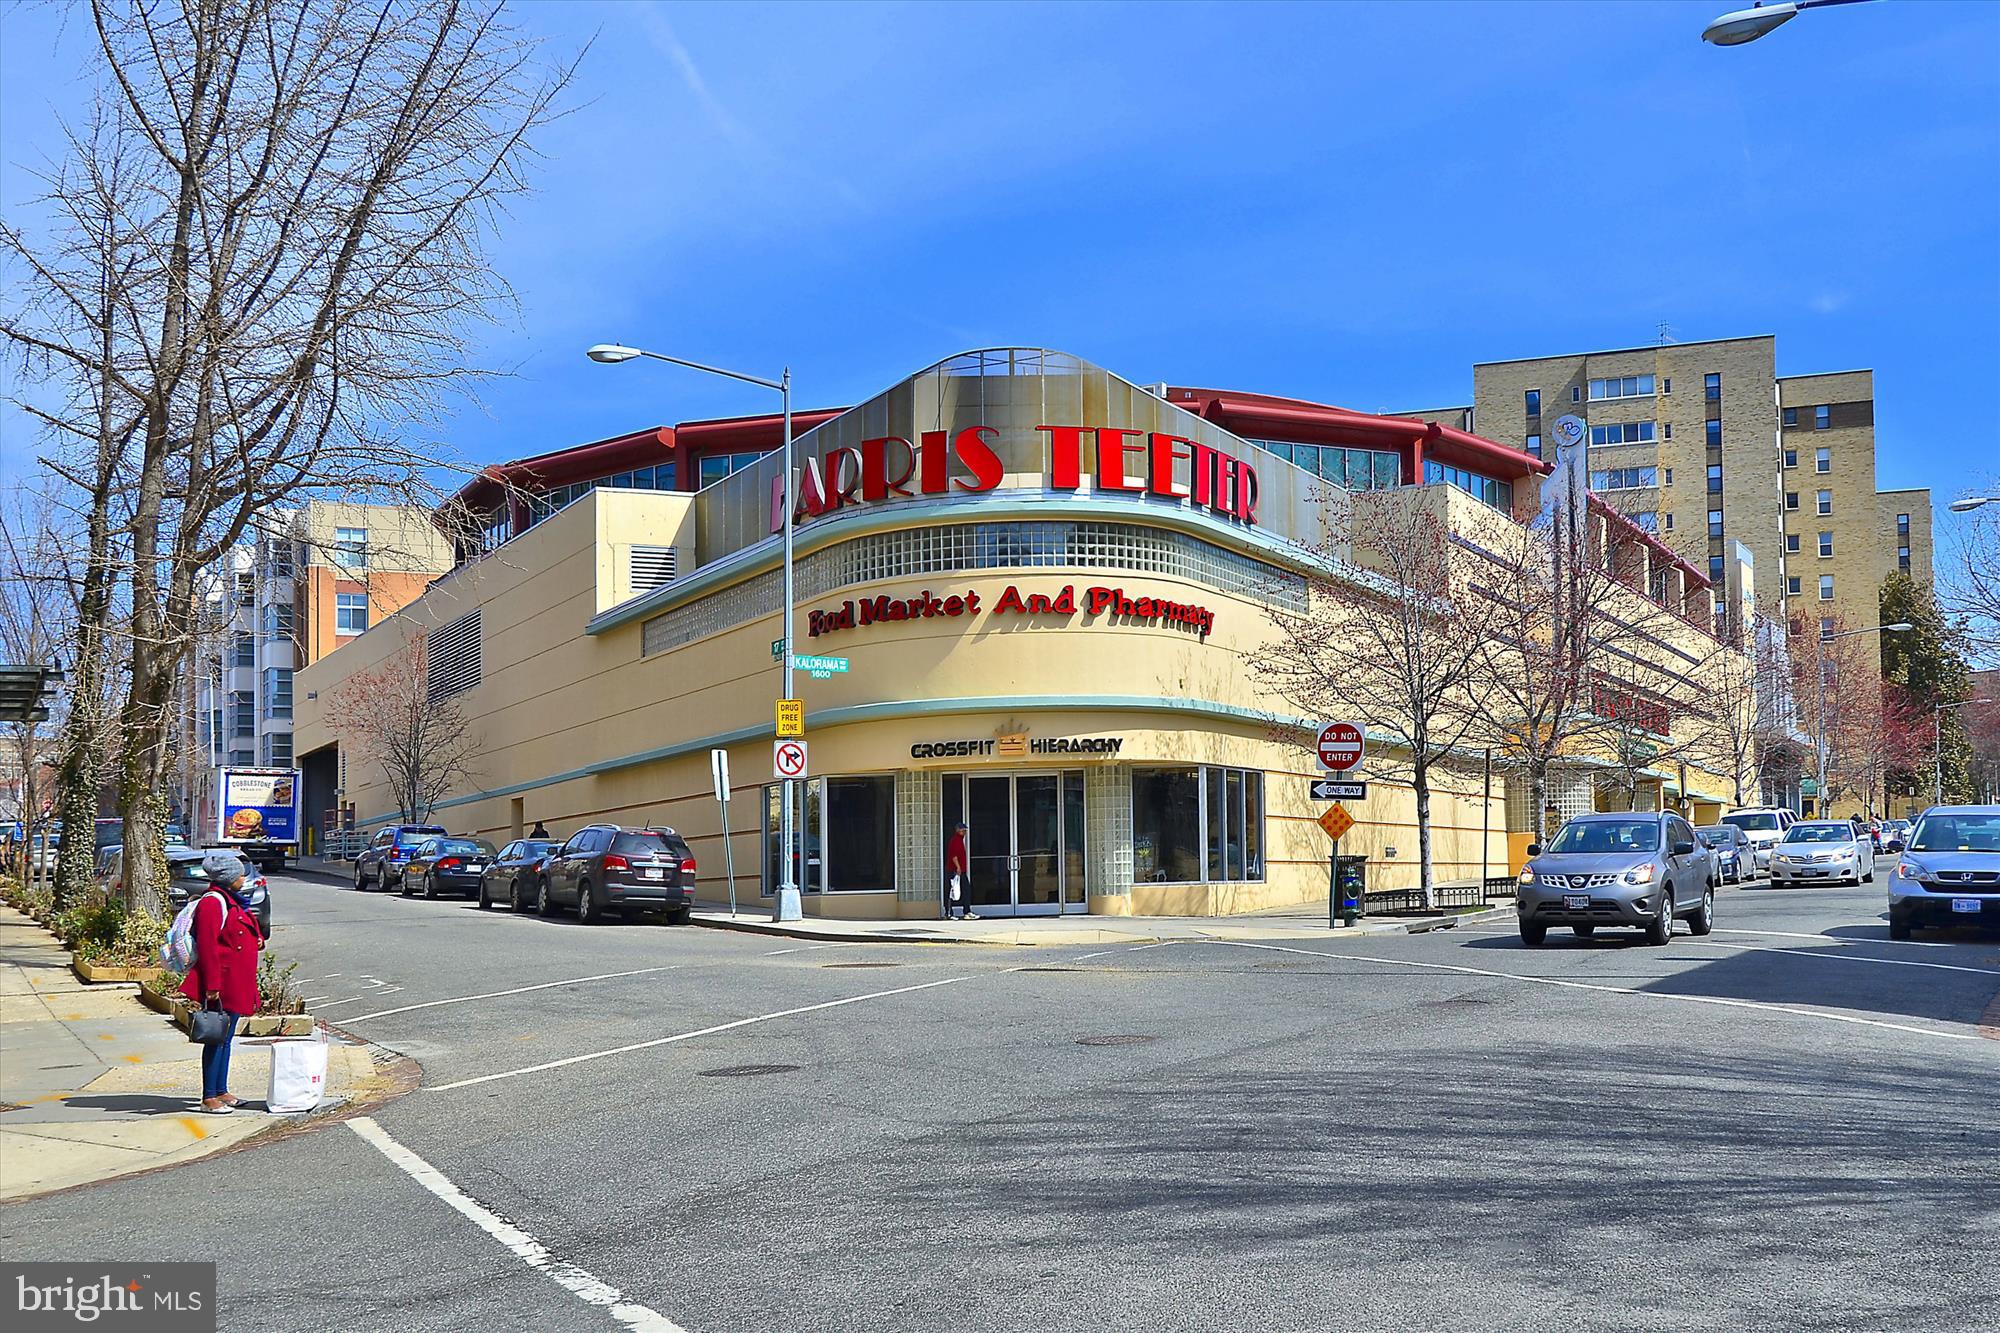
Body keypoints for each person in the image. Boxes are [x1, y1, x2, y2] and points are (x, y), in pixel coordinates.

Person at [178, 850, 266, 1114]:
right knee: (215, 1038)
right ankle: (209, 1097)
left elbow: (241, 930)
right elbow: (208, 947)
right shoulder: (213, 903)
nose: (243, 877)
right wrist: (212, 986)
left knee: (226, 1039)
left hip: (237, 981)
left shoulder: (233, 900)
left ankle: (222, 1089)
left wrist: (256, 939)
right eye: (239, 873)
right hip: (221, 984)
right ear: (228, 877)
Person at [945, 821, 974, 921]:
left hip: (961, 871)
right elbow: (954, 856)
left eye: (965, 830)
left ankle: (967, 911)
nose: (964, 832)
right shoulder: (955, 840)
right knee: (951, 891)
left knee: (966, 889)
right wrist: (958, 867)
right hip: (954, 871)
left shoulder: (961, 840)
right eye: (962, 830)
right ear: (957, 830)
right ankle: (948, 913)